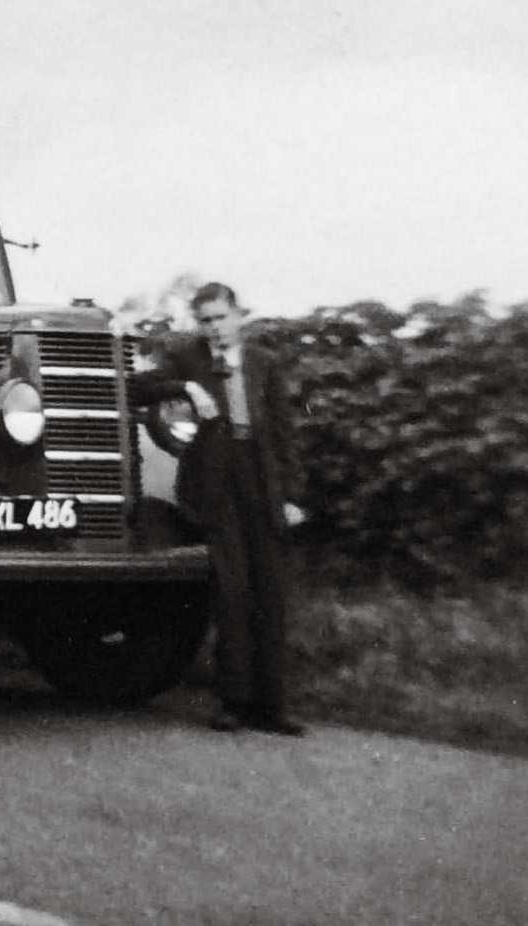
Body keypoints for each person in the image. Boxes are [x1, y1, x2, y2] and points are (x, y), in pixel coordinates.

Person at [129, 282, 306, 736]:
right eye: (206, 320)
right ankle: (233, 703)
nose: (214, 328)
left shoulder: (265, 363)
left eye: (221, 318)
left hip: (261, 482)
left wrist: (291, 497)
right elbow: (136, 388)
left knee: (270, 594)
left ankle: (273, 707)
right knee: (232, 593)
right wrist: (187, 386)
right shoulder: (188, 358)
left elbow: (284, 434)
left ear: (238, 316)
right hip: (215, 485)